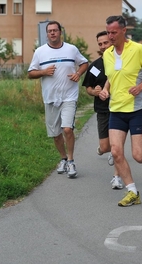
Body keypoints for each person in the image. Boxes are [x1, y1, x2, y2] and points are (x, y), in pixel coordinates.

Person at [99, 15, 142, 207]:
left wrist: (141, 87)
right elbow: (112, 76)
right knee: (116, 151)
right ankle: (132, 192)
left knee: (138, 155)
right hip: (116, 108)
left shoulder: (138, 49)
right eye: (108, 32)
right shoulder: (107, 54)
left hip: (137, 108)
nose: (110, 36)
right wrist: (105, 89)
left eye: (113, 32)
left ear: (123, 31)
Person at [28, 21, 88, 178]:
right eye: (50, 31)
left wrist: (78, 74)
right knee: (55, 134)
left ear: (60, 32)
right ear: (47, 34)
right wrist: (43, 72)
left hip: (69, 95)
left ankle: (71, 161)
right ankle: (62, 158)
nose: (52, 33)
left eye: (55, 30)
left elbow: (84, 63)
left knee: (67, 129)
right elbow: (30, 73)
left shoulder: (71, 49)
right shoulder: (40, 52)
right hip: (50, 98)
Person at [82, 31, 122, 189]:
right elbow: (88, 88)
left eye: (106, 42)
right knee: (106, 147)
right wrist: (95, 92)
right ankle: (102, 150)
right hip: (103, 109)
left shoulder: (121, 62)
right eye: (100, 44)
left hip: (119, 108)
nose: (103, 46)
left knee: (116, 147)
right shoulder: (95, 66)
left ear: (112, 42)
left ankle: (117, 177)